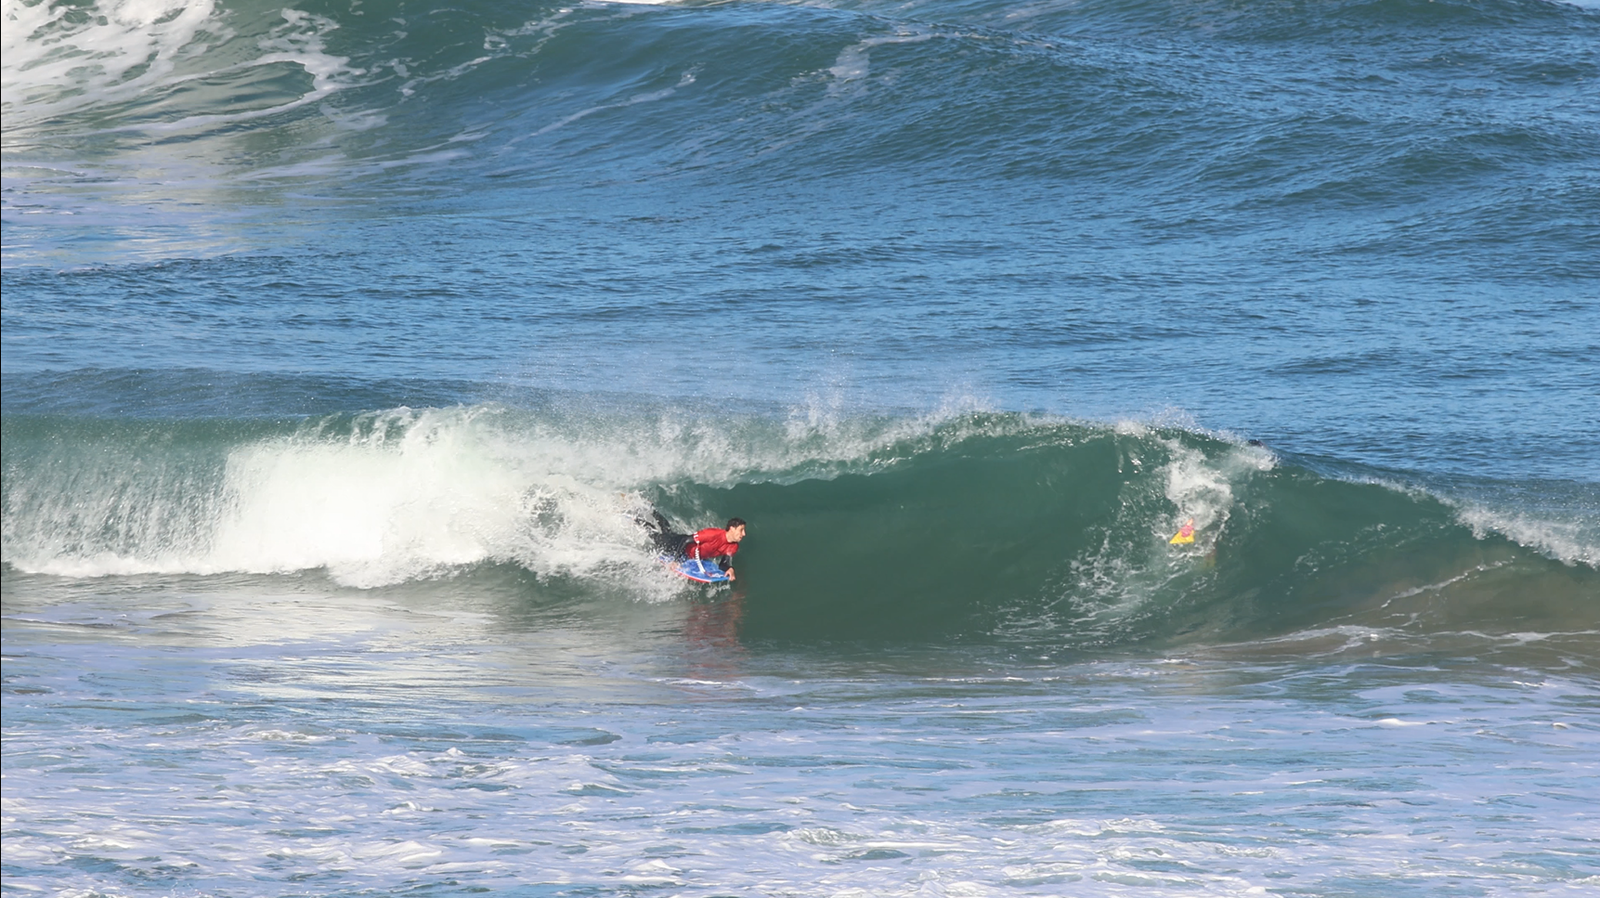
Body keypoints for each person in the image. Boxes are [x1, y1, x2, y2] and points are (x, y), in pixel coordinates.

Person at [640, 512, 748, 580]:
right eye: (741, 530)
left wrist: (729, 569)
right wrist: (676, 560)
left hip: (689, 555)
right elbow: (685, 540)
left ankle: (653, 511)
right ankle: (637, 518)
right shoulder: (712, 534)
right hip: (677, 544)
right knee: (655, 535)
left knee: (667, 530)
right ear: (732, 528)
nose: (744, 534)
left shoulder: (733, 546)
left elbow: (723, 563)